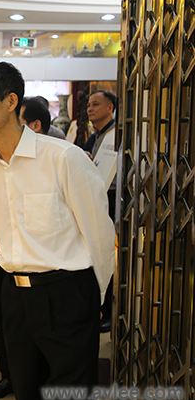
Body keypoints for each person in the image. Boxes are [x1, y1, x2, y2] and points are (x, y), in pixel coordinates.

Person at [0, 62, 115, 400]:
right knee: (27, 394)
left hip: (66, 292)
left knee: (71, 398)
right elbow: (0, 235)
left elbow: (99, 233)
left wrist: (93, 298)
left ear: (10, 101)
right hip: (14, 294)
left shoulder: (63, 158)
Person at [83, 90, 118, 334]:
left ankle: (109, 311)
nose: (90, 108)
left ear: (110, 108)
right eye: (88, 104)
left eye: (96, 104)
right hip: (96, 200)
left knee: (109, 257)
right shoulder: (94, 136)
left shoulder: (116, 135)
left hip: (112, 201)